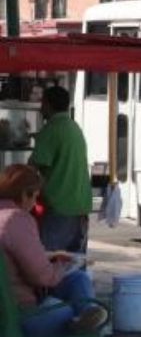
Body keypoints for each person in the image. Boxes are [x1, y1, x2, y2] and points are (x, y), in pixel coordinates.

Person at [0, 164, 107, 337]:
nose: (35, 203)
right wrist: (64, 265)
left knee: (77, 280)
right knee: (69, 307)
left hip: (9, 308)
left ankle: (86, 315)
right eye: (35, 197)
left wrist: (50, 256)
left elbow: (13, 255)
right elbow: (43, 276)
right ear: (23, 194)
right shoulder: (16, 220)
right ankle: (85, 320)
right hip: (21, 317)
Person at [29, 86, 92, 254]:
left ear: (48, 105)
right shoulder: (74, 127)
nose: (41, 108)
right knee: (75, 266)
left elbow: (30, 169)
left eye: (42, 103)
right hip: (80, 208)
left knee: (49, 260)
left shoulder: (51, 129)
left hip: (59, 208)